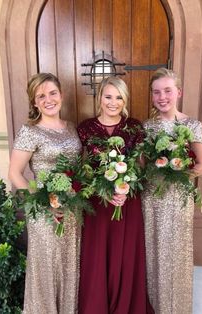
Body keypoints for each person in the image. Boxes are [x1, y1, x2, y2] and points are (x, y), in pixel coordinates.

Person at [77, 76, 154, 314]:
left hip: (126, 202)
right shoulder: (85, 128)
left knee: (126, 255)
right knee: (98, 255)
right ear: (99, 97)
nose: (113, 102)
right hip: (97, 203)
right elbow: (82, 169)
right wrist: (102, 190)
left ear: (125, 100)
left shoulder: (134, 127)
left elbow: (141, 167)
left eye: (118, 97)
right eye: (108, 96)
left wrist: (126, 188)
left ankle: (125, 306)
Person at [8, 73, 82, 314]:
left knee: (69, 265)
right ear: (34, 102)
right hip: (44, 212)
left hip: (72, 209)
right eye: (41, 96)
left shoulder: (71, 127)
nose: (48, 99)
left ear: (61, 95)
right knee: (47, 266)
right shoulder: (30, 131)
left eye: (52, 93)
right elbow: (15, 173)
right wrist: (40, 201)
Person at [141, 68, 202, 314]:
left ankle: (177, 308)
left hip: (178, 198)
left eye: (167, 91)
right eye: (156, 92)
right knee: (154, 252)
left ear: (178, 92)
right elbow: (142, 165)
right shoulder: (147, 127)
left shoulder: (192, 125)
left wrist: (177, 172)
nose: (162, 97)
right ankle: (155, 306)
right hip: (152, 198)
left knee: (176, 254)